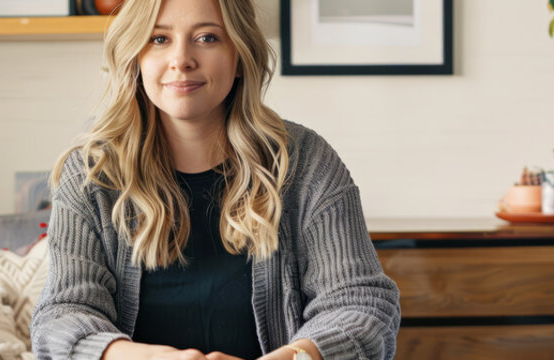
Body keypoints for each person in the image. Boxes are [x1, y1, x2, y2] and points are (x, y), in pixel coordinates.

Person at [31, 0, 400, 359]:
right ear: (135, 58)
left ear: (239, 56)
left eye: (207, 37)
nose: (181, 60)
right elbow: (60, 319)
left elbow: (360, 304)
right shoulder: (90, 174)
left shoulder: (305, 163)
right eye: (159, 39)